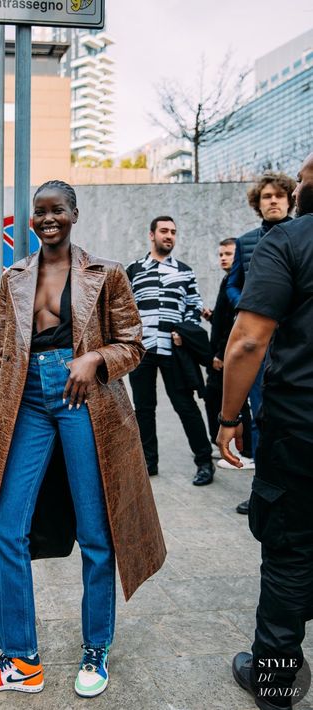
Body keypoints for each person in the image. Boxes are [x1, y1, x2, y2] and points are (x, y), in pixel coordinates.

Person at [0, 180, 166, 698]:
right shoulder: (14, 277)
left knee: (96, 534)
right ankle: (21, 659)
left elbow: (134, 344)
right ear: (31, 220)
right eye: (40, 212)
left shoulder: (107, 274)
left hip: (85, 400)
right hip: (27, 400)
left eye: (57, 210)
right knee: (8, 529)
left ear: (74, 214)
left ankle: (95, 648)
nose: (48, 218)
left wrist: (96, 358)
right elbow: (4, 358)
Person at [217, 153, 313, 710]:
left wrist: (229, 420)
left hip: (300, 427)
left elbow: (248, 339)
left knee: (288, 551)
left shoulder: (286, 242)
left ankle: (275, 683)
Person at [226, 172, 296, 514]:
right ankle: (260, 493)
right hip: (258, 342)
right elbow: (231, 284)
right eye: (266, 196)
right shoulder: (246, 241)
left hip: (295, 345)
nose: (273, 201)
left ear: (291, 199)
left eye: (279, 196)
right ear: (258, 203)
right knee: (259, 417)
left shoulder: (302, 238)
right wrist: (252, 304)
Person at [126, 216, 215, 485]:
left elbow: (194, 305)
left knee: (186, 406)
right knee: (143, 408)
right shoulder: (134, 270)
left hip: (174, 350)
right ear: (151, 235)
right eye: (164, 231)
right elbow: (125, 307)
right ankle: (148, 462)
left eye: (173, 232)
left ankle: (204, 462)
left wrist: (184, 330)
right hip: (143, 350)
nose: (169, 236)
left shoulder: (184, 271)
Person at [203, 238, 254, 469]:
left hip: (226, 356)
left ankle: (246, 453)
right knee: (217, 398)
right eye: (221, 254)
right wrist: (211, 316)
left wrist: (222, 355)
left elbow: (235, 325)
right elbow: (224, 320)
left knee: (237, 402)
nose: (224, 258)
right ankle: (228, 446)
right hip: (221, 352)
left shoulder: (237, 286)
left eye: (229, 254)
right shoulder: (228, 282)